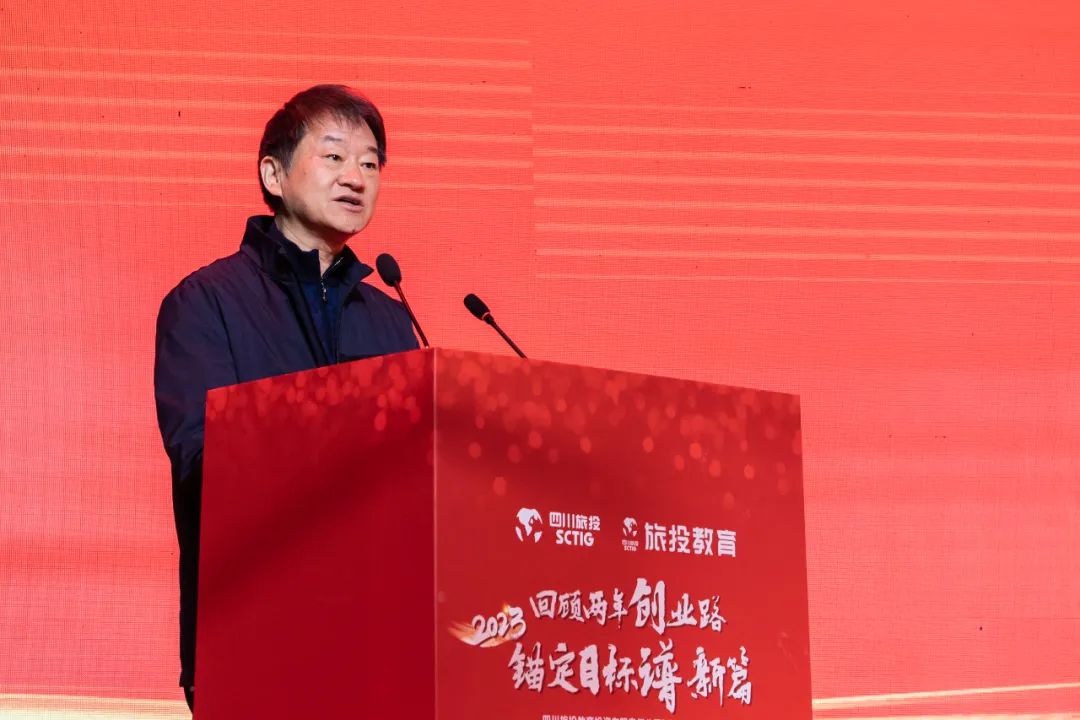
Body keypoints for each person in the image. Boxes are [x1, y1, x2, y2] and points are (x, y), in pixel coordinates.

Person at [153, 84, 419, 713]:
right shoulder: (207, 303)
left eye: (370, 163)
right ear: (272, 174)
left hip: (378, 636)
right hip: (253, 630)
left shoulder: (391, 320)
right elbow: (203, 459)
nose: (356, 177)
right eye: (334, 156)